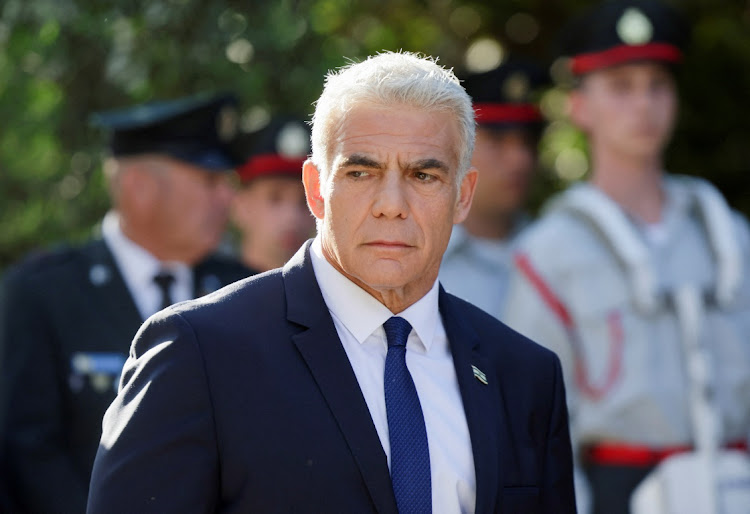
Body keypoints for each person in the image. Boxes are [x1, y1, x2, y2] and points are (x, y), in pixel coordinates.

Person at [87, 51, 576, 513]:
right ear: (316, 189)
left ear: (462, 196)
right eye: (362, 173)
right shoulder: (200, 353)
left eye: (424, 176)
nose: (391, 203)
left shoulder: (524, 376)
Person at [502, 2, 750, 513]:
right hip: (622, 490)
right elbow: (535, 421)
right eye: (621, 87)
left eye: (657, 84)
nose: (644, 105)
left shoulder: (729, 234)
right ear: (579, 106)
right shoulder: (548, 252)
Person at [0, 92, 253, 514]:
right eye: (210, 181)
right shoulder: (42, 294)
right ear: (140, 187)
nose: (227, 197)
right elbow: (26, 453)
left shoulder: (244, 290)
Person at [440, 58, 549, 317]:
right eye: (497, 140)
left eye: (527, 141)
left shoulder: (555, 248)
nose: (520, 159)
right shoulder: (420, 260)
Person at [230, 115, 316, 271]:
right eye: (275, 198)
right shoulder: (193, 288)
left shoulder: (329, 294)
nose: (292, 216)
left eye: (305, 201)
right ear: (241, 205)